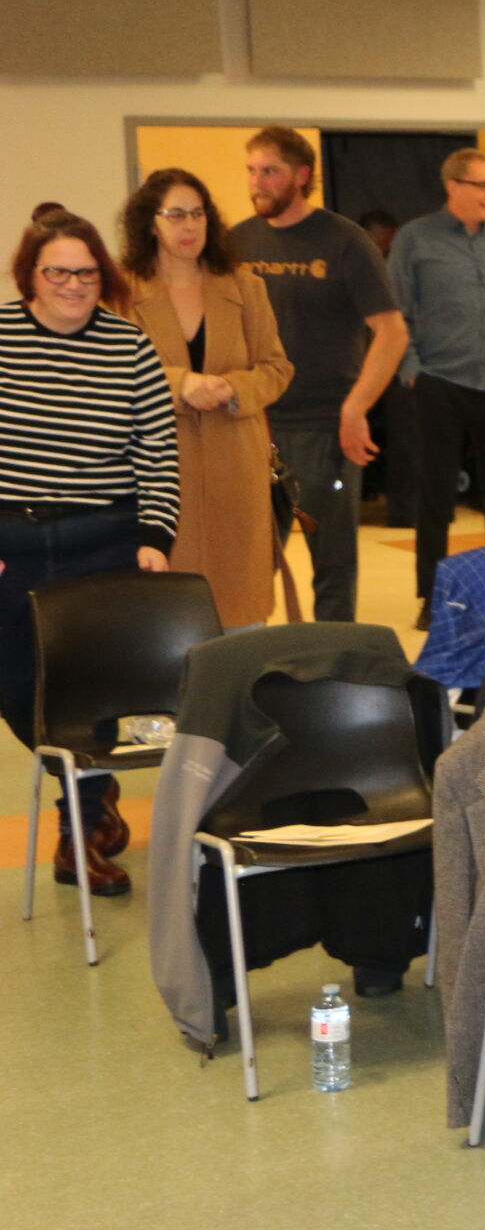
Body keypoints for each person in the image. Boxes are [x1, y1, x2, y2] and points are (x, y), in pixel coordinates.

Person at [0, 205, 178, 899]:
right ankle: (91, 790)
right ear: (30, 275)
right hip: (12, 539)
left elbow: (157, 452)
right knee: (17, 687)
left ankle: (77, 831)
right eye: (58, 272)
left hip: (102, 539)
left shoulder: (129, 346)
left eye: (86, 272)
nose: (73, 285)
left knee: (90, 692)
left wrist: (155, 538)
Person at [228, 127, 407, 621]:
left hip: (326, 429)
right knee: (249, 565)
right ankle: (244, 656)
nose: (257, 182)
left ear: (301, 175)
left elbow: (392, 333)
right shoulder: (236, 242)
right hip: (254, 426)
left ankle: (332, 659)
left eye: (270, 171)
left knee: (332, 565)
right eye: (252, 171)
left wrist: (356, 408)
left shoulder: (344, 240)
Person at [117, 168, 294, 628]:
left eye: (198, 214)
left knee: (240, 614)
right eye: (175, 215)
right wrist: (178, 384)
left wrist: (235, 389)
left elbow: (277, 368)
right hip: (158, 471)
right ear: (149, 222)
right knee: (168, 616)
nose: (190, 226)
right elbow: (109, 374)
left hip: (236, 465)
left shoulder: (245, 286)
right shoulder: (121, 292)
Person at [389, 147, 485, 626]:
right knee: (435, 497)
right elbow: (395, 312)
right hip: (440, 383)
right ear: (453, 186)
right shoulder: (415, 239)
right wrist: (411, 370)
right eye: (483, 185)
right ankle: (432, 599)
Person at [355, 209, 418, 529]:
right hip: (364, 366)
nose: (391, 245)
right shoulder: (364, 268)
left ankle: (403, 510)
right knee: (395, 437)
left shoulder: (388, 267)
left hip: (388, 365)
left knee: (402, 438)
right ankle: (398, 509)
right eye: (388, 238)